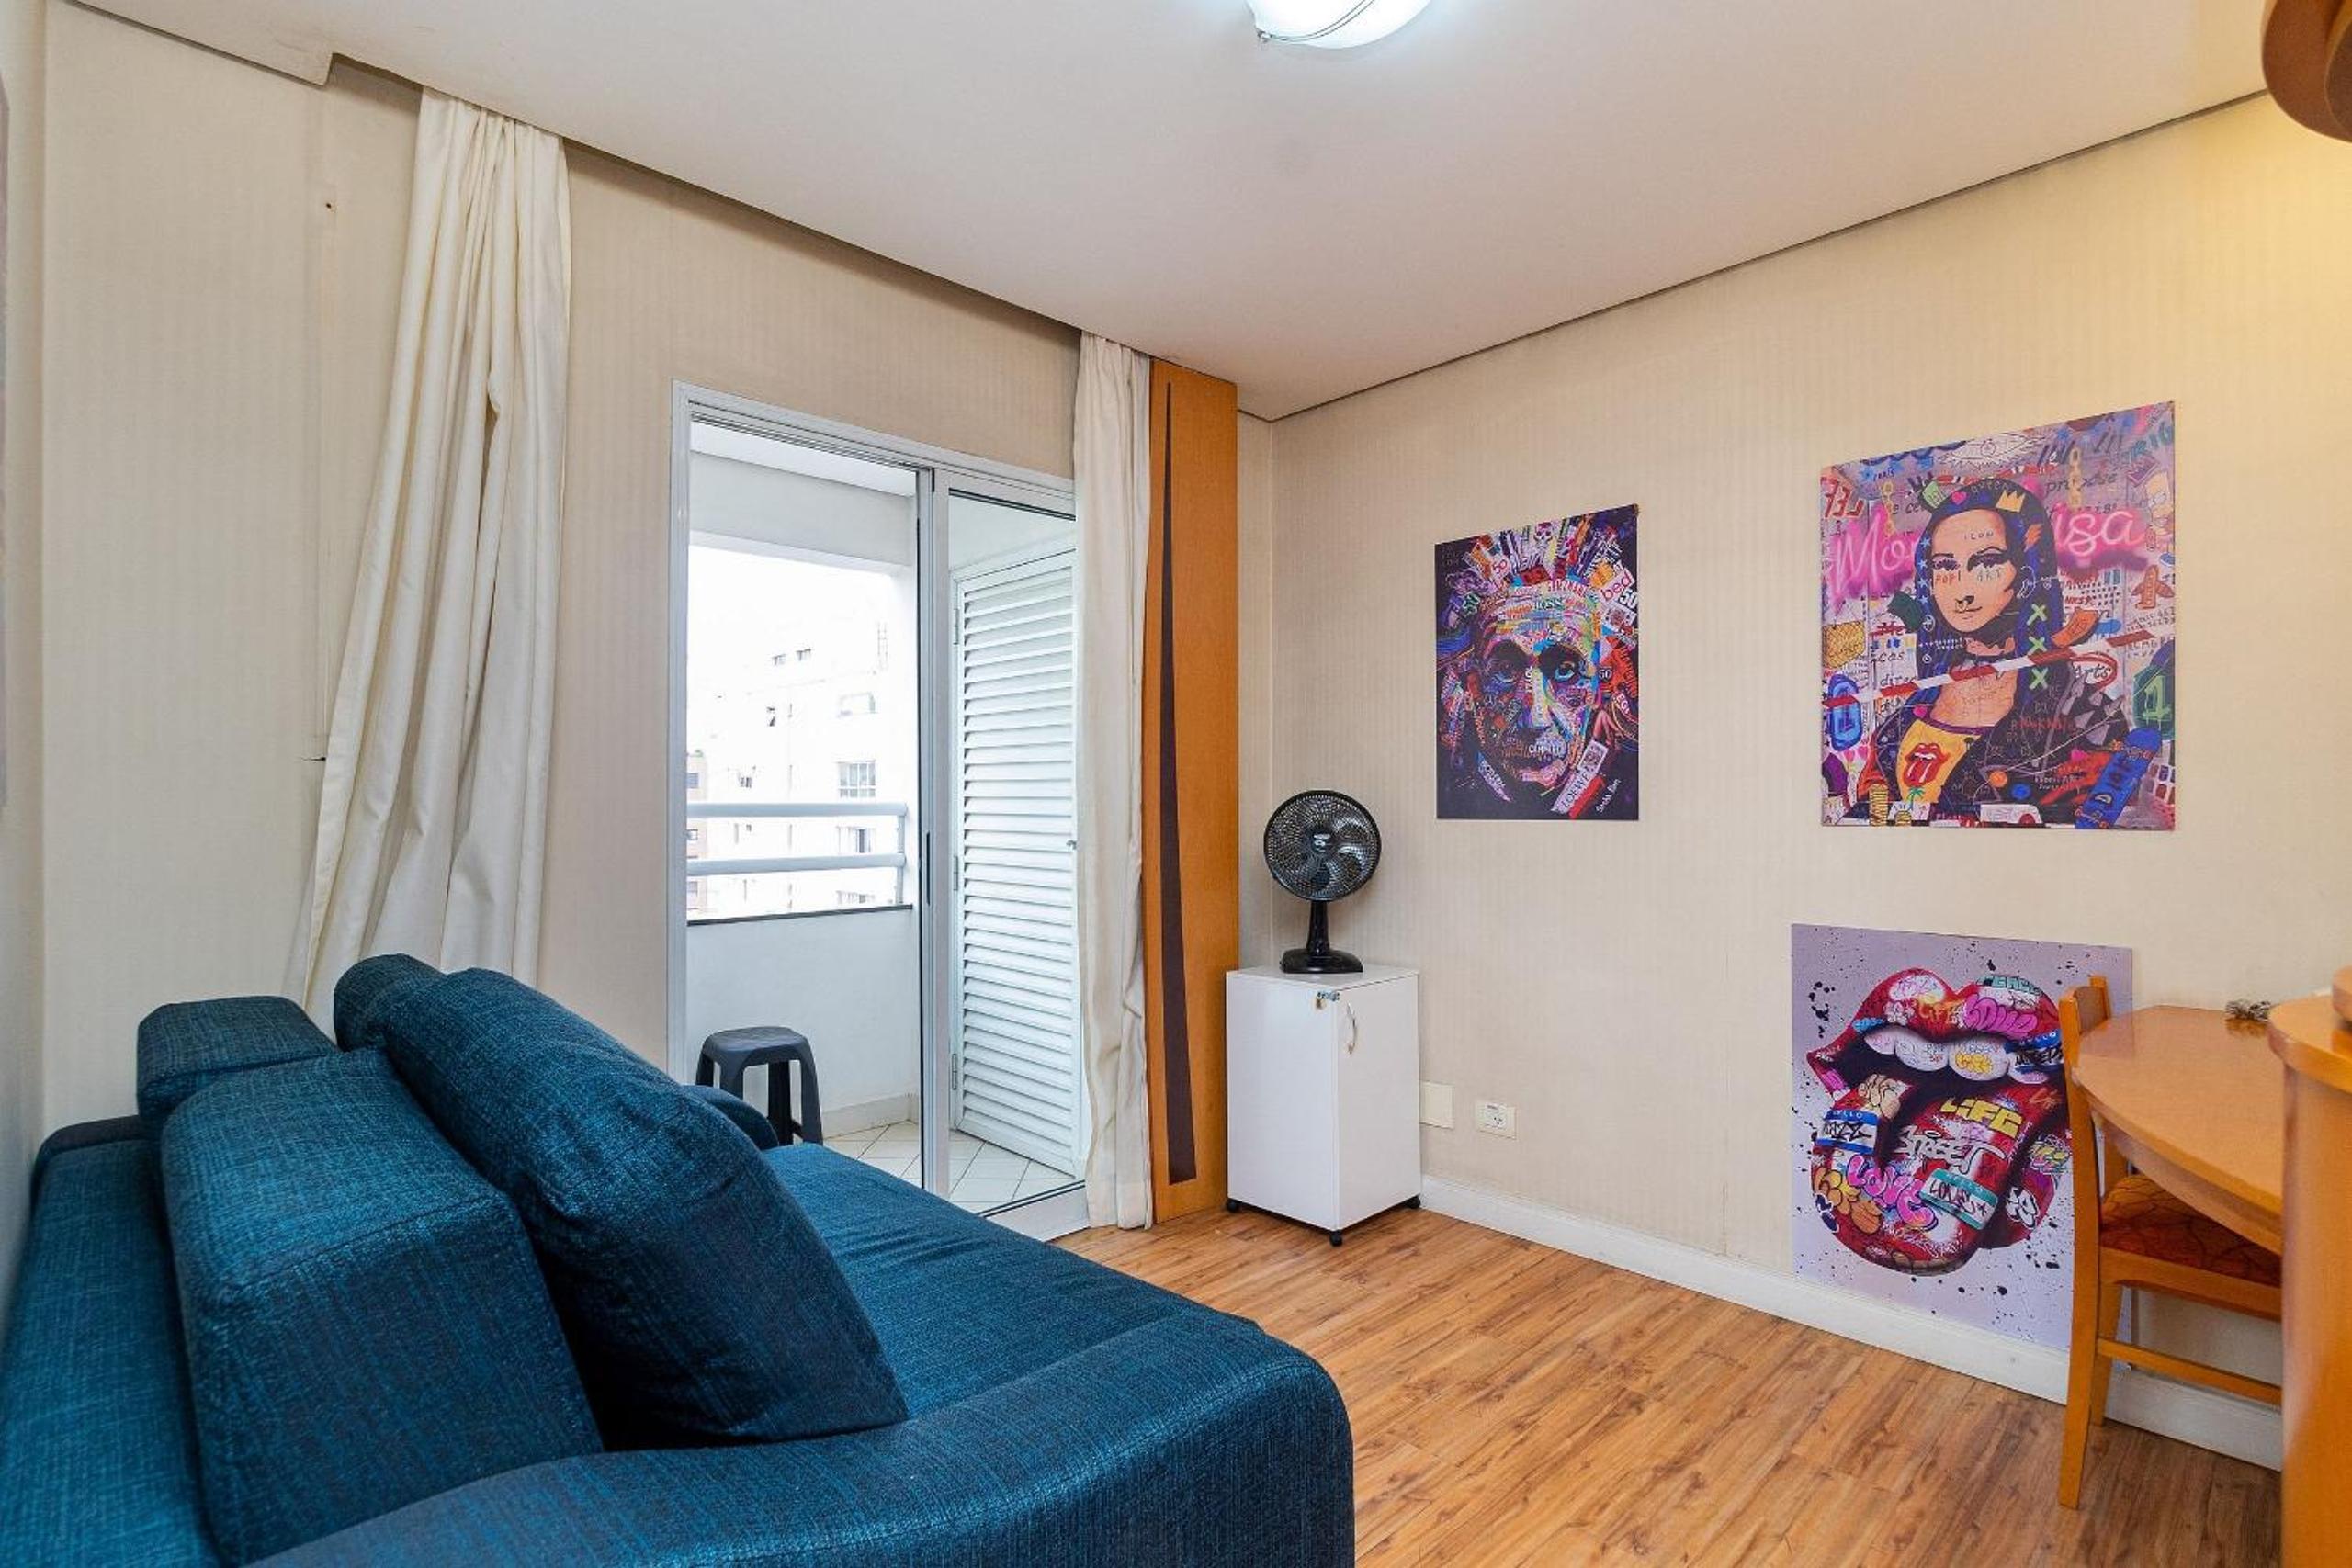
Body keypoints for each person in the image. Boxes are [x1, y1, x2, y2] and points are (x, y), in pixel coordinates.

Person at [1848, 479, 2127, 826]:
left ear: (2025, 574)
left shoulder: (2084, 716)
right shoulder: (1910, 711)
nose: (1962, 591)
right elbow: (1870, 811)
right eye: (1945, 566)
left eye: (1987, 562)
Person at [1437, 514, 1636, 819]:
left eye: (1566, 670)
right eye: (1505, 671)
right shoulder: (1451, 793)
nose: (1536, 717)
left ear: (1598, 690)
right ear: (1474, 686)